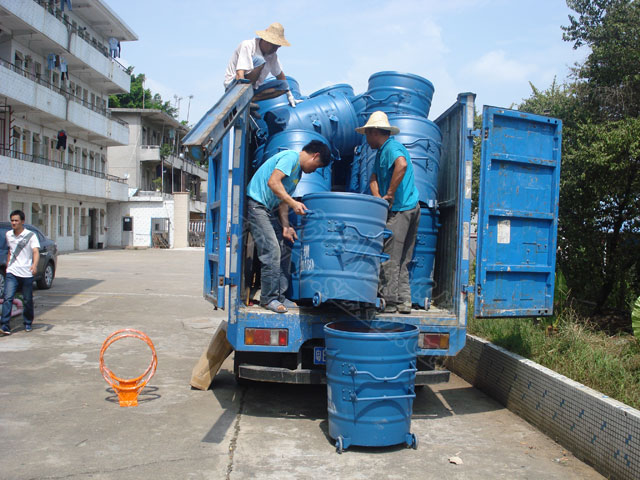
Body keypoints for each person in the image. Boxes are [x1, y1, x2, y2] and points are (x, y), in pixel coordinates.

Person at [246, 140, 331, 313]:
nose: (314, 170)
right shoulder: (291, 158)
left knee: (284, 249)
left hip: (269, 210)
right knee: (272, 251)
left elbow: (282, 200)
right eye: (317, 166)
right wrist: (294, 203)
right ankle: (268, 298)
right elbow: (273, 182)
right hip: (257, 207)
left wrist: (286, 226)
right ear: (315, 156)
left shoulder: (297, 173)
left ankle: (280, 296)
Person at [356, 111, 420, 314]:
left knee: (390, 257)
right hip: (411, 207)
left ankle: (389, 302)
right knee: (402, 259)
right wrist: (379, 199)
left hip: (401, 210)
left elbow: (401, 164)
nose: (366, 139)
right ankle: (404, 301)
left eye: (367, 134)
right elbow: (373, 178)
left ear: (375, 132)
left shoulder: (392, 147)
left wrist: (390, 194)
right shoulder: (382, 152)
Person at [223, 22, 301, 106]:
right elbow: (239, 73)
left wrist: (289, 95)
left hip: (253, 89)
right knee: (259, 60)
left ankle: (251, 99)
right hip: (235, 86)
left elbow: (281, 76)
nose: (275, 50)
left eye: (278, 47)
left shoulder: (272, 56)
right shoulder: (248, 45)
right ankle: (244, 98)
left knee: (283, 85)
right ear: (266, 41)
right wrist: (241, 95)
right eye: (274, 46)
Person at [1, 210, 40, 335]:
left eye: (16, 220)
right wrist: (8, 265)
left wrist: (34, 265)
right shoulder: (8, 235)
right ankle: (5, 326)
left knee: (27, 299)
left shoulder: (30, 235)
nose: (14, 223)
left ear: (22, 221)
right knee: (8, 298)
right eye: (12, 220)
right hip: (12, 272)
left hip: (26, 273)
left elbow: (35, 252)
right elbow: (10, 250)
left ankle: (28, 322)